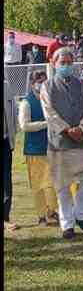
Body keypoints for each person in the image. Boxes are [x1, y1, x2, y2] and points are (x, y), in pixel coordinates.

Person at [39, 47, 83, 240]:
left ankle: (80, 215)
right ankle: (67, 224)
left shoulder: (82, 83)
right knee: (62, 186)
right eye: (62, 63)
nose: (66, 65)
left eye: (69, 62)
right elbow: (49, 113)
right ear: (54, 64)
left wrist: (82, 127)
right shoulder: (47, 86)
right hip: (60, 144)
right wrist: (67, 129)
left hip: (82, 141)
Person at [19, 70, 59, 226]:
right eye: (38, 80)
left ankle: (52, 210)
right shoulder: (26, 102)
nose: (41, 83)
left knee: (51, 183)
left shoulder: (49, 99)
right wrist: (46, 124)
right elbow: (24, 126)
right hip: (34, 149)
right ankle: (41, 215)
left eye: (44, 80)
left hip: (51, 146)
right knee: (38, 184)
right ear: (32, 83)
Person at [4, 78, 19, 232]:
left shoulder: (6, 86)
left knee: (6, 180)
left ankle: (5, 218)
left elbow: (13, 112)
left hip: (6, 141)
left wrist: (13, 136)